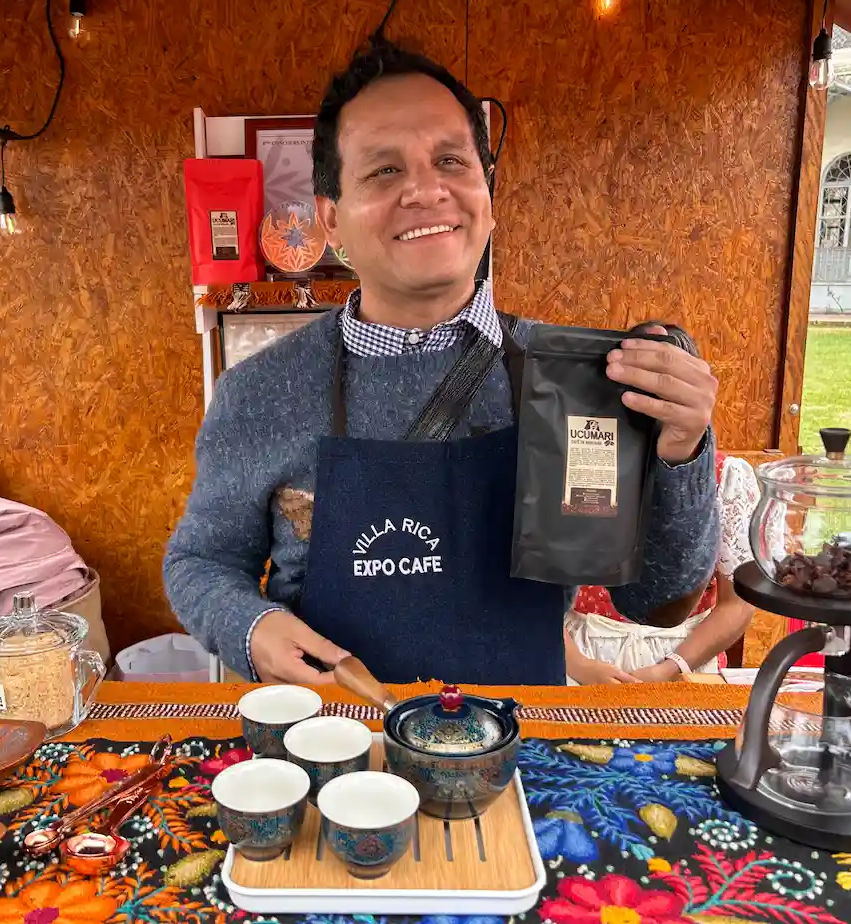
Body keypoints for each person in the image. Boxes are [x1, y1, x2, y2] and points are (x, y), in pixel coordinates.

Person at [163, 38, 721, 687]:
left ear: (487, 191)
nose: (426, 190)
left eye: (451, 161)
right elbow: (201, 562)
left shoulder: (576, 381)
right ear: (330, 219)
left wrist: (680, 450)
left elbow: (655, 601)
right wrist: (252, 628)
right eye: (384, 170)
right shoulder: (260, 392)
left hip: (524, 734)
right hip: (339, 736)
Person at [565, 323, 756, 685]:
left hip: (684, 665)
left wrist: (671, 668)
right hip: (577, 658)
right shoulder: (583, 468)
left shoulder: (726, 476)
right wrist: (578, 665)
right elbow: (531, 590)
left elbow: (738, 603)